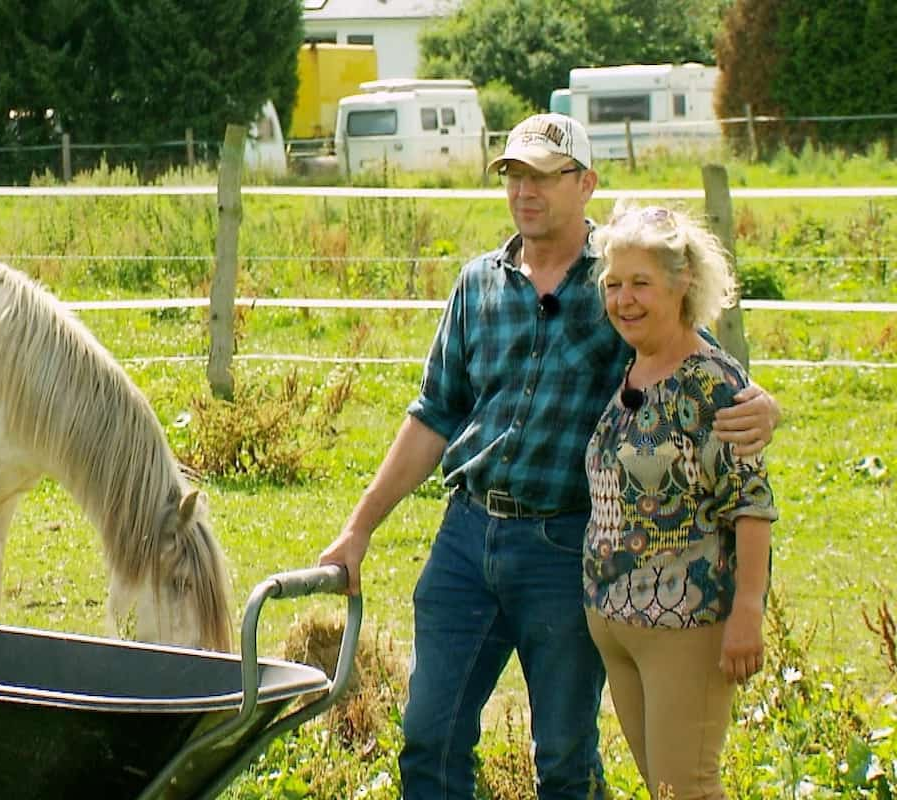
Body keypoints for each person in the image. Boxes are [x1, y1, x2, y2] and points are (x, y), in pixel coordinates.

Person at [317, 113, 779, 800]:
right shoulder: (479, 284)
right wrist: (359, 528)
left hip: (565, 544)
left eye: (543, 176)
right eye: (513, 175)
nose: (525, 191)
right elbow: (434, 412)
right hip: (466, 538)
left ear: (586, 183)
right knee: (429, 734)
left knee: (563, 754)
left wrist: (762, 401)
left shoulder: (620, 280)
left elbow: (692, 355)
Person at [583, 202, 777, 798]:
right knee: (662, 786)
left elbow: (751, 501)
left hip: (686, 622)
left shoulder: (713, 384)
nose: (625, 300)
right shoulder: (634, 367)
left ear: (681, 282)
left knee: (687, 786)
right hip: (617, 618)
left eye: (641, 283)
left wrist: (748, 608)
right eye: (614, 285)